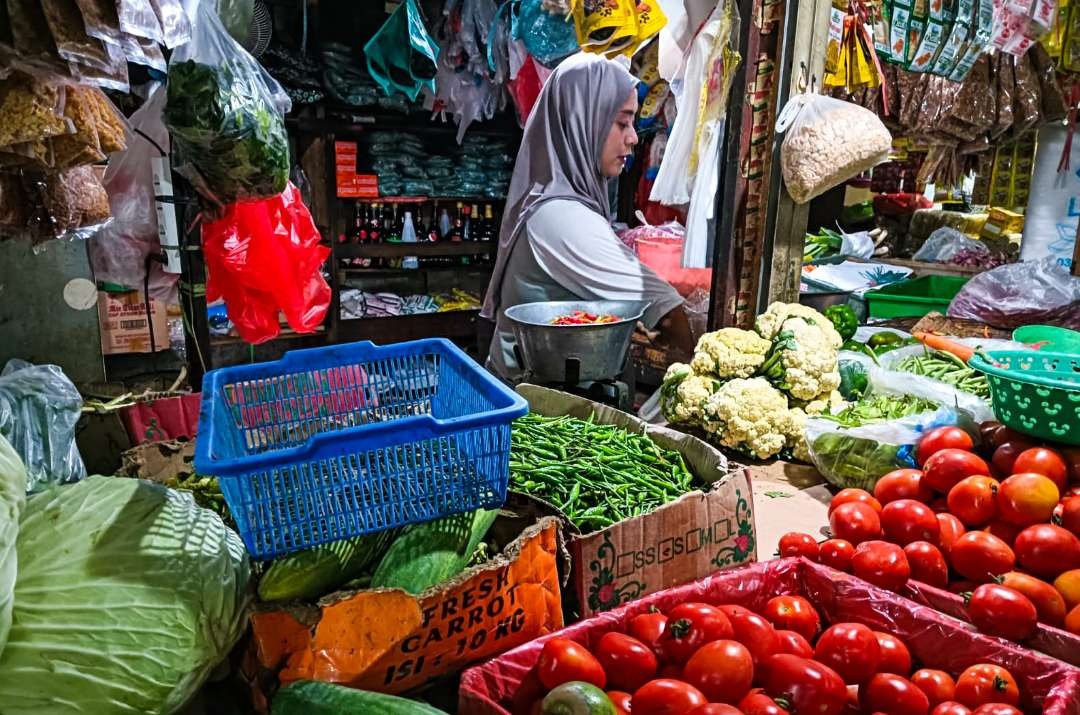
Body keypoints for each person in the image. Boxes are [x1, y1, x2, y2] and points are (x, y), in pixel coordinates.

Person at [482, 53, 693, 382]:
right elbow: (669, 314)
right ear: (584, 121)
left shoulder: (555, 200)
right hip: (535, 419)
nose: (634, 138)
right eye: (622, 122)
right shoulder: (561, 218)